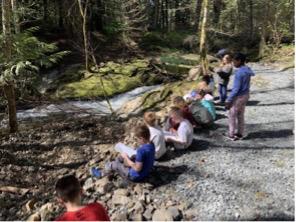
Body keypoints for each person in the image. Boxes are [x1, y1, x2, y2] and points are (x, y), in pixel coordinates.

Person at [91, 125, 155, 182]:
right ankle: (111, 170)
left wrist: (126, 158)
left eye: (137, 139)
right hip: (146, 171)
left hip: (134, 176)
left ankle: (101, 173)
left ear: (141, 138)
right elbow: (145, 157)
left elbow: (137, 169)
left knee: (115, 164)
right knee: (121, 158)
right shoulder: (152, 144)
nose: (137, 140)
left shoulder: (141, 150)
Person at [225, 52, 255, 141]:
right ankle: (240, 133)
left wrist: (228, 100)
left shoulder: (239, 73)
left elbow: (236, 89)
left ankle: (231, 134)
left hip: (238, 97)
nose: (233, 63)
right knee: (240, 115)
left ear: (239, 61)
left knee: (232, 115)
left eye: (234, 61)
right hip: (246, 95)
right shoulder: (247, 70)